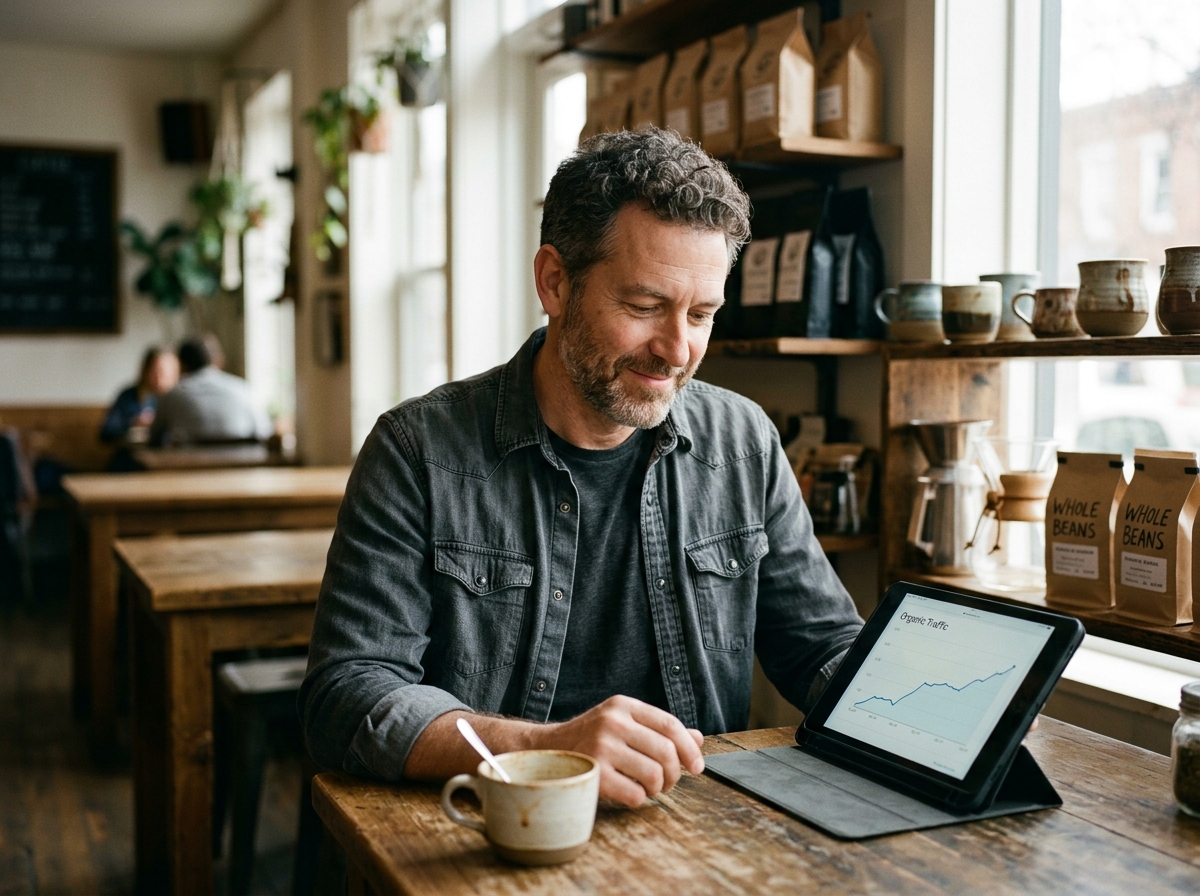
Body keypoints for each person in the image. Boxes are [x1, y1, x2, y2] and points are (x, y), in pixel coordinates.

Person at [301, 128, 864, 808]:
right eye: (646, 306)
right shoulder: (418, 451)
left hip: (700, 830)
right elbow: (350, 695)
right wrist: (544, 751)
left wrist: (934, 725)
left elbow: (822, 645)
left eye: (702, 313)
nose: (676, 349)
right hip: (491, 827)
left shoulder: (743, 441)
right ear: (555, 282)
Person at [151, 336, 271, 446]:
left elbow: (155, 439)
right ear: (216, 360)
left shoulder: (172, 395)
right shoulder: (243, 389)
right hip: (242, 466)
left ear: (182, 364)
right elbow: (264, 432)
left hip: (190, 467)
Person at [99, 347, 180, 444]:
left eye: (165, 372)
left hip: (170, 457)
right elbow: (106, 432)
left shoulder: (181, 399)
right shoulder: (128, 396)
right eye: (155, 371)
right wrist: (133, 422)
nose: (159, 377)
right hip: (131, 455)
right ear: (145, 371)